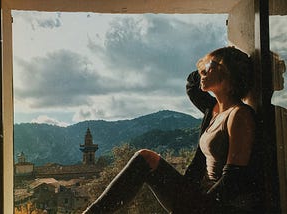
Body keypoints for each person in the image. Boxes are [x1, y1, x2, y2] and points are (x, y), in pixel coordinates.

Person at [83, 47, 262, 213]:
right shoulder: (213, 110)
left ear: (226, 72)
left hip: (220, 206)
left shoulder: (240, 115)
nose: (202, 72)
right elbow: (192, 85)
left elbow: (234, 179)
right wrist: (211, 62)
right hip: (201, 199)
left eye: (209, 67)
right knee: (146, 159)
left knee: (145, 158)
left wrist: (201, 207)